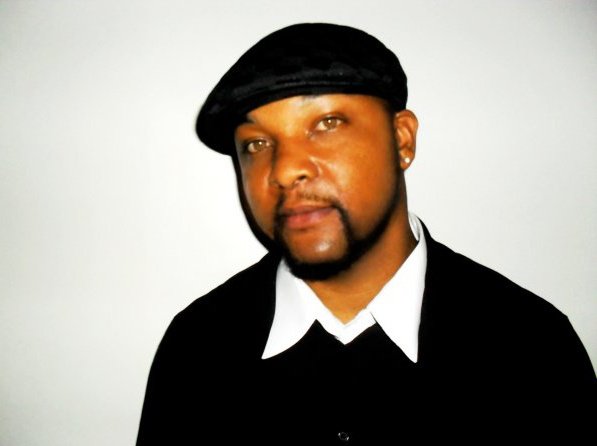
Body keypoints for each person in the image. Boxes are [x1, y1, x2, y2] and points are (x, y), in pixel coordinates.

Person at [136, 23, 595, 444]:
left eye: (326, 123)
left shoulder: (532, 349)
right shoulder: (198, 350)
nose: (284, 169)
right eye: (256, 143)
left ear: (402, 140)